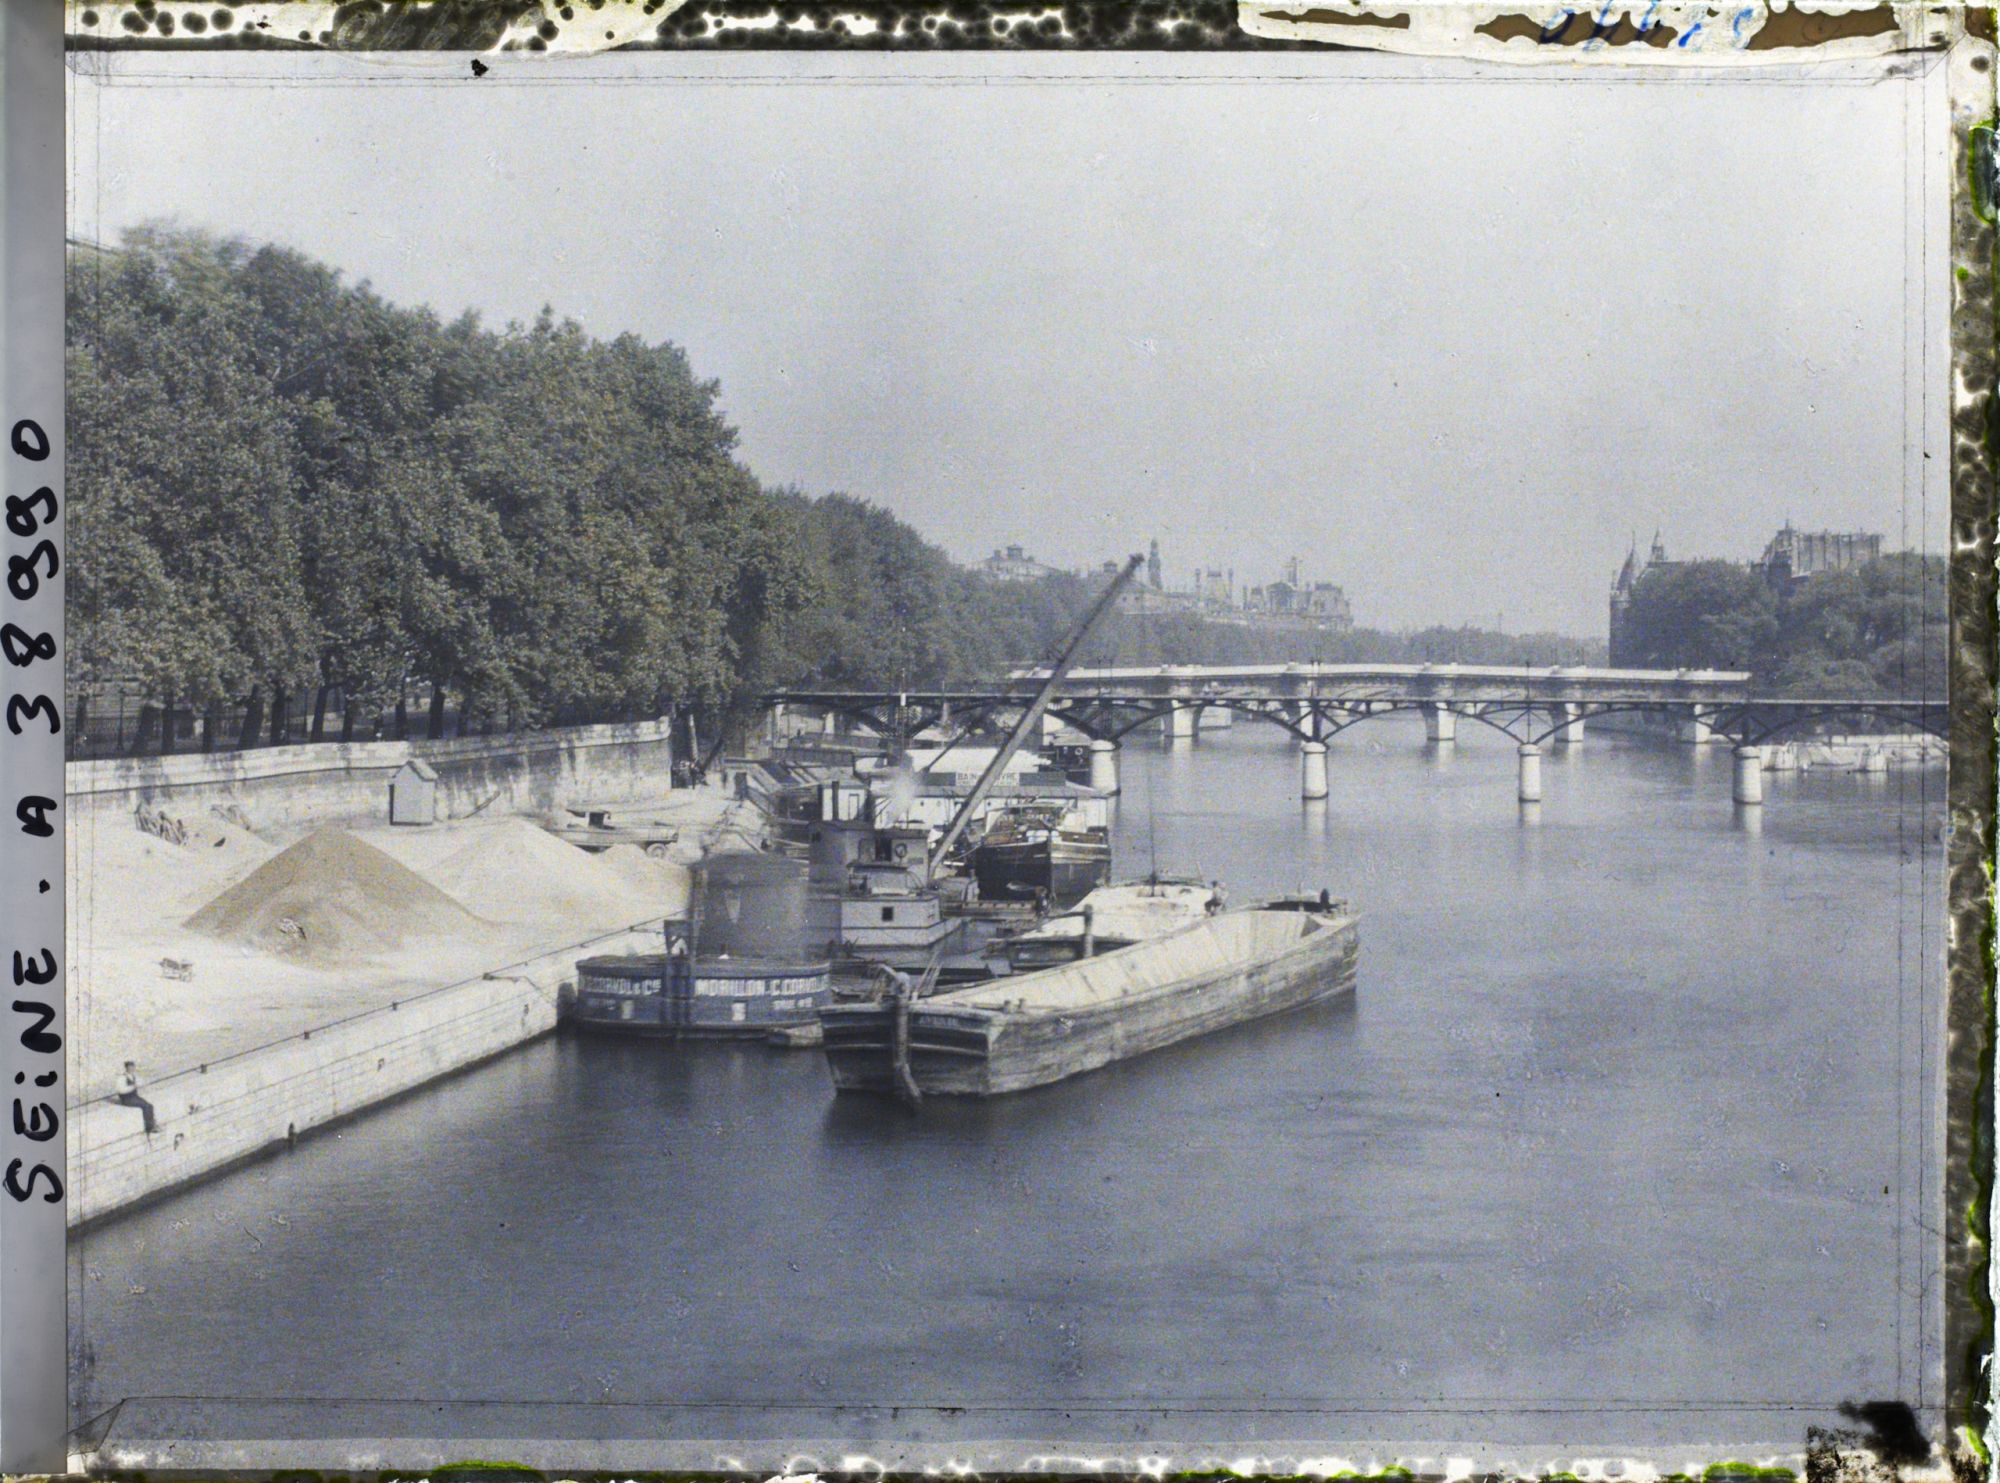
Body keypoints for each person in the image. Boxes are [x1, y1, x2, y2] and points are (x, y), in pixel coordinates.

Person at [114, 1061, 157, 1135]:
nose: (131, 1069)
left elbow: (141, 1082)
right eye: (129, 1067)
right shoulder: (121, 1078)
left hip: (134, 1097)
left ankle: (152, 1124)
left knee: (149, 1105)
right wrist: (133, 1087)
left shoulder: (134, 1076)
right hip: (126, 1099)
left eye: (132, 1067)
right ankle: (149, 1127)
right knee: (146, 1106)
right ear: (126, 1068)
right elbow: (120, 1090)